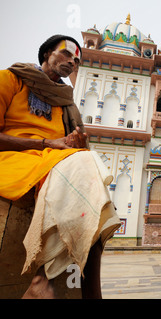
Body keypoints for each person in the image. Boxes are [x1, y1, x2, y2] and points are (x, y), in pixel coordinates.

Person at [0, 34, 121, 298]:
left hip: (53, 161)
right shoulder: (10, 79)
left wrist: (73, 141)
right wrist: (48, 143)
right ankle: (45, 281)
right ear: (46, 53)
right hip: (14, 159)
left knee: (95, 201)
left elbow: (69, 145)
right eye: (65, 54)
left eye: (76, 60)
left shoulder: (65, 102)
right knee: (87, 174)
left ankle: (57, 285)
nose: (71, 61)